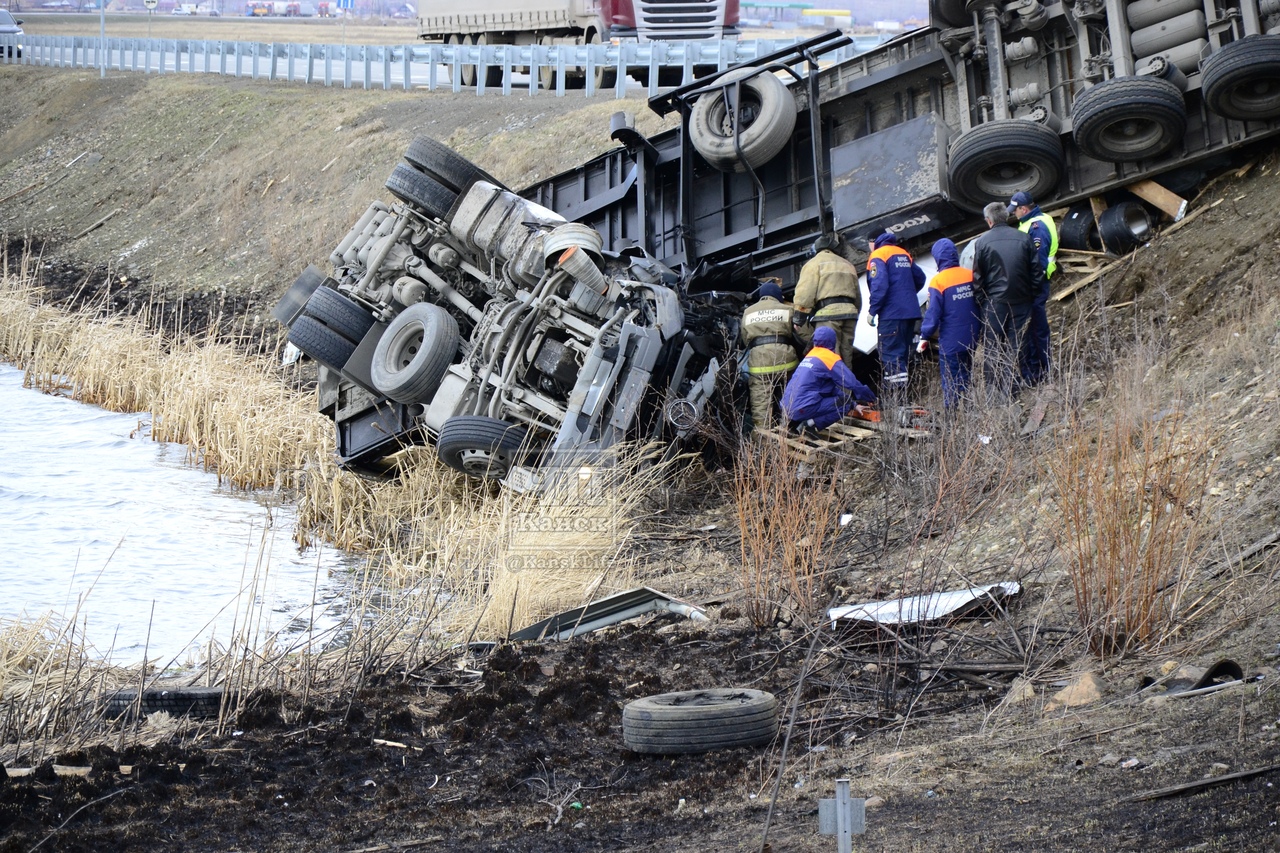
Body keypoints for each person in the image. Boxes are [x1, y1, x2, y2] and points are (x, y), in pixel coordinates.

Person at [970, 201, 1045, 399]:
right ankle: (1015, 387)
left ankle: (995, 392)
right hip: (1022, 300)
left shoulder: (982, 242)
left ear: (989, 221)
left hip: (995, 302)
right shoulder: (1023, 238)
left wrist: (982, 301)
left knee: (993, 346)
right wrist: (1031, 294)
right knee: (1017, 343)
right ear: (1006, 217)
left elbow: (978, 278)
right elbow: (1036, 272)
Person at [918, 238, 982, 408]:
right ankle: (970, 410)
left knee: (951, 379)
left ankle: (951, 417)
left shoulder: (939, 282)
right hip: (973, 336)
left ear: (938, 258)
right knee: (966, 373)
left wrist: (924, 336)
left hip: (951, 341)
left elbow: (933, 314)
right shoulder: (969, 274)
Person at [780, 326, 877, 432]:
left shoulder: (810, 356)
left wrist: (854, 405)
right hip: (801, 408)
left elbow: (830, 388)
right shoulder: (828, 358)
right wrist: (871, 399)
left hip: (787, 408)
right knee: (844, 404)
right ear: (833, 341)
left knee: (842, 401)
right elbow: (852, 383)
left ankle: (794, 424)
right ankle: (808, 425)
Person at [866, 230, 926, 396]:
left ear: (873, 242)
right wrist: (905, 293)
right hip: (910, 314)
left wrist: (873, 311)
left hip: (891, 315)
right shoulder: (902, 253)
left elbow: (880, 286)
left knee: (891, 357)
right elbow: (920, 277)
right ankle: (904, 400)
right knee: (902, 356)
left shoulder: (878, 255)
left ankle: (896, 403)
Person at [1009, 191, 1057, 386]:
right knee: (1035, 328)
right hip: (1037, 282)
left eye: (1015, 210)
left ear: (1024, 208)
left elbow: (1038, 262)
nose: (1014, 214)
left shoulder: (1036, 227)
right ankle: (1041, 370)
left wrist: (1030, 287)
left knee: (1037, 329)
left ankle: (1044, 372)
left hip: (1036, 284)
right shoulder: (1039, 219)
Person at [791, 234, 860, 366]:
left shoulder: (813, 264)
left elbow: (805, 293)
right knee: (847, 355)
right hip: (850, 314)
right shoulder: (848, 265)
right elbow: (857, 296)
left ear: (816, 249)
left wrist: (799, 318)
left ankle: (833, 386)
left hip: (828, 315)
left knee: (830, 356)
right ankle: (846, 385)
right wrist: (855, 313)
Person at [740, 279, 799, 430]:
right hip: (786, 362)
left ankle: (764, 438)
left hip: (759, 364)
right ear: (778, 296)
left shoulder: (748, 312)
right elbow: (799, 335)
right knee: (790, 396)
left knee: (761, 404)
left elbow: (745, 339)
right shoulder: (787, 309)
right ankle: (790, 430)